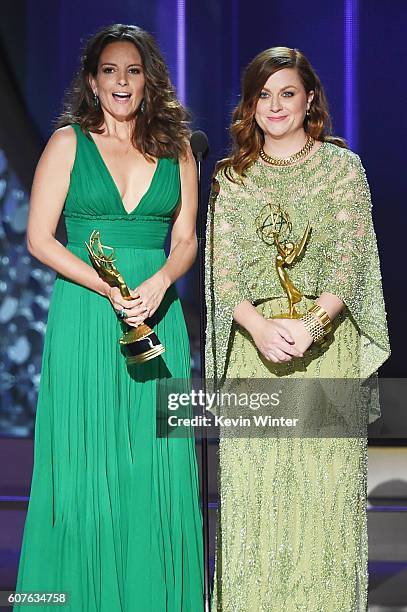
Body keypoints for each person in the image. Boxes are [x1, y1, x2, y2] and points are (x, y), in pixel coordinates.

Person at [16, 24, 203, 611]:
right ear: (93, 83)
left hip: (158, 317)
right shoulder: (68, 143)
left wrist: (158, 282)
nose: (121, 81)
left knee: (156, 461)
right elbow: (39, 240)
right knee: (82, 464)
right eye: (109, 71)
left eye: (133, 70)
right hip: (87, 319)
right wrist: (107, 286)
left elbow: (188, 240)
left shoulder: (179, 149)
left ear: (149, 82)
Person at [205, 47, 390, 611]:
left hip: (326, 348)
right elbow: (223, 270)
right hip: (251, 350)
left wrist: (311, 325)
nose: (275, 105)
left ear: (310, 98)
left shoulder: (342, 167)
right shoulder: (230, 179)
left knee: (325, 498)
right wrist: (259, 328)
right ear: (250, 105)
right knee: (255, 502)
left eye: (287, 92)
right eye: (264, 95)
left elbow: (350, 261)